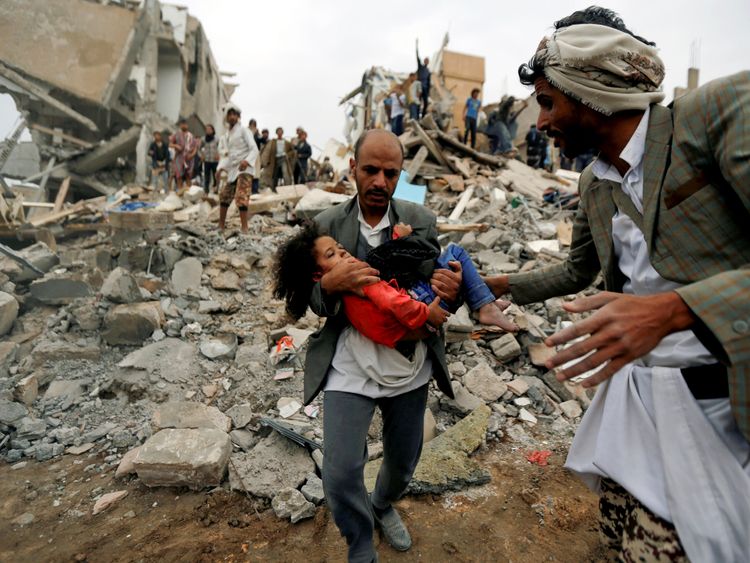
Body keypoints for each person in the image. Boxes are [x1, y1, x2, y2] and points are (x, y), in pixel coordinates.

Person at [485, 7, 750, 561]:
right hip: (641, 399)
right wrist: (500, 283)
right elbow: (578, 271)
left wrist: (672, 311)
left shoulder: (710, 119)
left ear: (588, 92)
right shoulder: (593, 183)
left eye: (548, 103)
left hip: (725, 402)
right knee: (626, 541)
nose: (540, 123)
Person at [300, 129, 463, 562]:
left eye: (390, 173)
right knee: (339, 473)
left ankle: (382, 503)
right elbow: (303, 301)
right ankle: (360, 545)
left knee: (404, 461)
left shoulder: (420, 219)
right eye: (370, 170)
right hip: (350, 361)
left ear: (400, 175)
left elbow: (436, 291)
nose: (379, 182)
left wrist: (452, 287)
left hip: (407, 361)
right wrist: (330, 286)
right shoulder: (325, 227)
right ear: (351, 168)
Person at [274, 222, 517, 341]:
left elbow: (393, 262)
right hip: (417, 311)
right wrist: (425, 314)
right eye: (332, 254)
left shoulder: (413, 214)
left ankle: (485, 300)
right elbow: (392, 301)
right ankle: (485, 304)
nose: (343, 252)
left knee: (450, 270)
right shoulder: (357, 278)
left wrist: (401, 239)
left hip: (410, 317)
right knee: (456, 252)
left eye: (340, 248)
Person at [216, 104, 259, 234]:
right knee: (224, 196)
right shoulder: (227, 135)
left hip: (245, 168)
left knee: (241, 196)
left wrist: (247, 161)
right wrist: (220, 169)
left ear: (238, 117)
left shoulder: (244, 131)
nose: (232, 117)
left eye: (235, 114)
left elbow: (254, 148)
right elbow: (228, 156)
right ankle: (221, 226)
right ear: (226, 117)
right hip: (234, 169)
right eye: (230, 114)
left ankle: (244, 228)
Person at [169, 119, 197, 192]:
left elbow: (195, 147)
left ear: (187, 125)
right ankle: (180, 192)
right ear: (180, 125)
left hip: (189, 159)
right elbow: (170, 144)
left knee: (188, 176)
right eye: (182, 124)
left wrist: (192, 155)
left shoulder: (191, 135)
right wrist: (176, 146)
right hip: (179, 158)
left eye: (185, 124)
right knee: (179, 176)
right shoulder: (176, 134)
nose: (184, 125)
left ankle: (190, 193)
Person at [201, 124, 220, 193]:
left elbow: (220, 147)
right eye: (207, 129)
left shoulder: (216, 138)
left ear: (213, 130)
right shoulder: (203, 139)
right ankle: (206, 191)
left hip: (215, 160)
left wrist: (218, 154)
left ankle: (216, 190)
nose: (208, 130)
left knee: (216, 176)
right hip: (207, 160)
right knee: (207, 177)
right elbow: (200, 148)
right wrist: (202, 155)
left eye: (209, 129)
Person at [416, 40, 431, 118]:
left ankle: (423, 116)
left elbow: (429, 82)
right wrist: (417, 46)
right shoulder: (421, 67)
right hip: (419, 87)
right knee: (419, 102)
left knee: (425, 102)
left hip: (425, 88)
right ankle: (418, 116)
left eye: (427, 60)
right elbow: (417, 57)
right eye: (425, 60)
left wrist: (428, 92)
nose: (426, 61)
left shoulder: (428, 71)